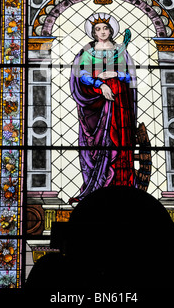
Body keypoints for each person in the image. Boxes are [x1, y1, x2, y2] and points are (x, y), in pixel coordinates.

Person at [69, 13, 137, 204]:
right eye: (98, 29)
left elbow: (129, 77)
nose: (102, 32)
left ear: (111, 30)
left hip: (118, 102)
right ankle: (96, 187)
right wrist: (99, 84)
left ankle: (121, 186)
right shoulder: (86, 52)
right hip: (95, 101)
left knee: (119, 141)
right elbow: (80, 74)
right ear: (92, 31)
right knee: (97, 145)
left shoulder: (121, 51)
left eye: (105, 28)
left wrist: (115, 73)